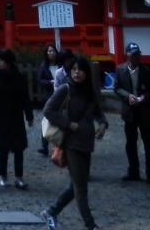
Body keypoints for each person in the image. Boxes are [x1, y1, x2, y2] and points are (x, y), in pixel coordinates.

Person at [41, 56, 108, 230]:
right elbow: (48, 110)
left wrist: (102, 124)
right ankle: (91, 225)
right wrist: (68, 123)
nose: (77, 73)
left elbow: (98, 112)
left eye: (80, 70)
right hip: (71, 144)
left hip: (87, 143)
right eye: (74, 70)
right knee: (81, 188)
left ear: (86, 72)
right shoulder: (65, 89)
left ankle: (51, 212)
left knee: (76, 185)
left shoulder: (89, 92)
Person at [0, 48, 33, 188]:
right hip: (0, 117)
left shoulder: (19, 77)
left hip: (16, 116)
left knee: (19, 148)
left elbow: (25, 98)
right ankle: (3, 175)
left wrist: (29, 115)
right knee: (3, 148)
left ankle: (19, 176)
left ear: (9, 62)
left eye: (1, 60)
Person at [114, 41, 150, 183]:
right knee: (131, 143)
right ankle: (133, 171)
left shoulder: (147, 71)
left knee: (148, 143)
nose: (135, 57)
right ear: (127, 55)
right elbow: (117, 88)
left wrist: (144, 97)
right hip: (130, 111)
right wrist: (128, 96)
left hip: (145, 110)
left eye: (137, 55)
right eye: (132, 55)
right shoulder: (120, 70)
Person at [36, 42, 58, 155]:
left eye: (53, 50)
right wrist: (50, 82)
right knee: (47, 120)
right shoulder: (43, 66)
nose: (51, 53)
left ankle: (59, 146)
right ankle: (44, 146)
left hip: (61, 94)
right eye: (49, 51)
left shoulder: (60, 65)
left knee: (60, 119)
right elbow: (40, 80)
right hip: (49, 95)